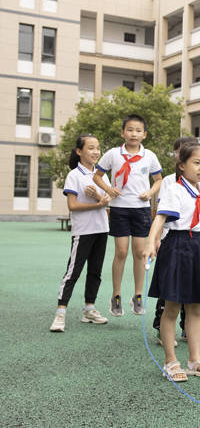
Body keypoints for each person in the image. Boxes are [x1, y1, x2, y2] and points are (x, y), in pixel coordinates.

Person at [144, 142, 200, 381]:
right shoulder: (175, 190)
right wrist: (150, 242)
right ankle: (170, 361)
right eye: (196, 163)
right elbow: (161, 217)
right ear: (181, 166)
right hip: (177, 247)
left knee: (195, 307)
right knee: (173, 307)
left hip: (199, 248)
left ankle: (194, 360)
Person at [93, 114, 163, 317]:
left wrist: (149, 193)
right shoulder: (113, 154)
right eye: (130, 130)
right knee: (121, 252)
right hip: (119, 209)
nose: (134, 134)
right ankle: (116, 295)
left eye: (138, 130)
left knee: (140, 253)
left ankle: (138, 295)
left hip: (140, 209)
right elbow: (97, 175)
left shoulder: (149, 156)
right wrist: (109, 188)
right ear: (123, 132)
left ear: (144, 135)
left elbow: (159, 180)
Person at [50, 134, 111, 332]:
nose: (96, 152)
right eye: (91, 148)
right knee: (72, 273)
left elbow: (107, 201)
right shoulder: (74, 175)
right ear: (79, 151)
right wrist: (98, 203)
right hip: (83, 232)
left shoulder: (102, 175)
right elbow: (72, 205)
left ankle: (89, 309)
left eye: (97, 148)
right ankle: (60, 313)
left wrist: (101, 199)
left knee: (95, 272)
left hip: (101, 229)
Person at [152, 136, 198, 347]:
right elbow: (163, 213)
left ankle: (186, 330)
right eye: (180, 151)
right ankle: (162, 329)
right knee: (169, 291)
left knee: (190, 291)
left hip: (195, 244)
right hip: (172, 239)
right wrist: (155, 240)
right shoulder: (171, 182)